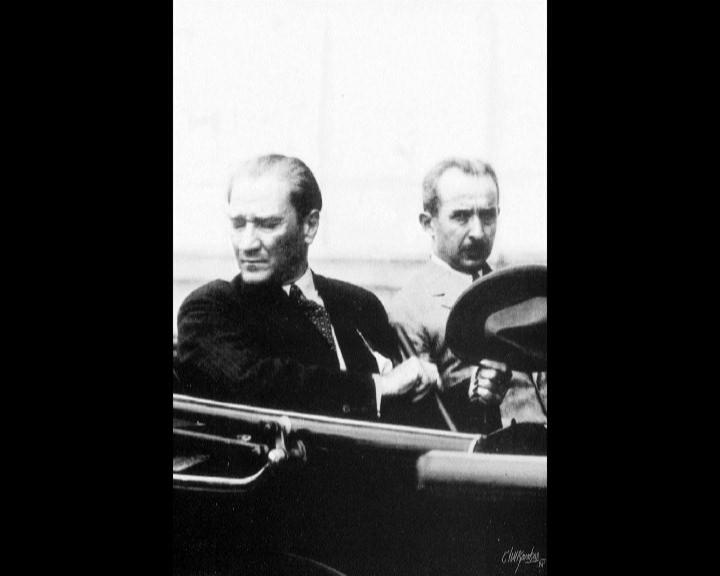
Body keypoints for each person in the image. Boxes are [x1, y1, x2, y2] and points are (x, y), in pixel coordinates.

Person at [175, 154, 439, 420]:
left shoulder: (359, 303)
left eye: (268, 225)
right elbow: (256, 383)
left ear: (309, 226)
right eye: (238, 224)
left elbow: (407, 405)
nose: (247, 244)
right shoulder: (211, 309)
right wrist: (377, 387)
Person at [388, 157, 518, 433]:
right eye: (461, 217)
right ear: (428, 224)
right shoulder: (409, 308)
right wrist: (470, 392)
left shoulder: (516, 293)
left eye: (488, 215)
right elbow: (418, 420)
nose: (478, 232)